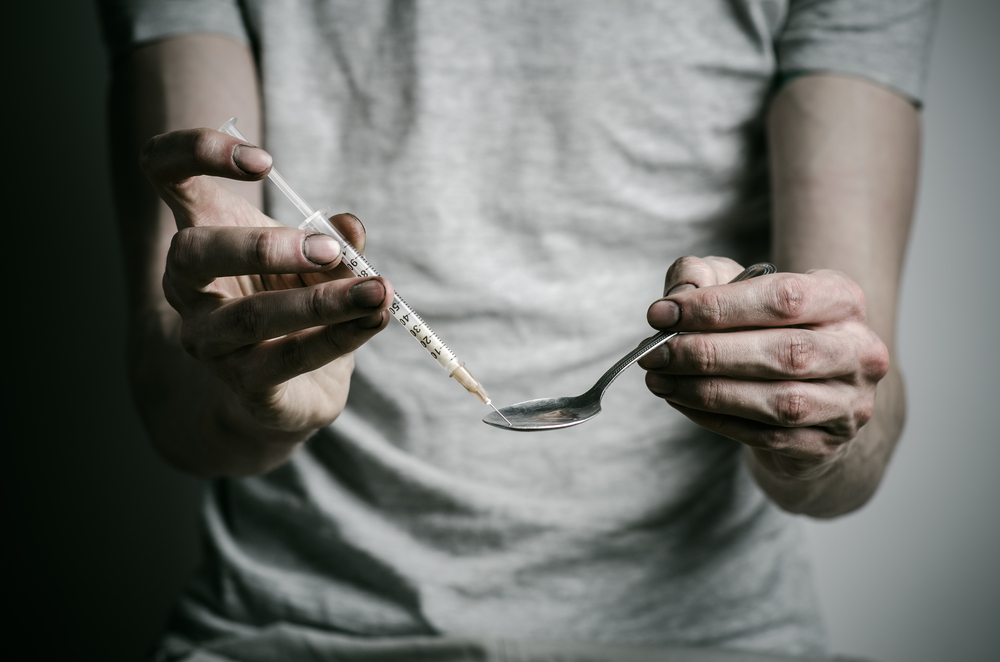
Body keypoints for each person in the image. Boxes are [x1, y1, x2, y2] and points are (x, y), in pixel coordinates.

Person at [99, 1, 937, 660]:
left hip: (700, 639)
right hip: (298, 634)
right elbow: (178, 411)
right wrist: (253, 394)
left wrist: (807, 408)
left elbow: (856, 441)